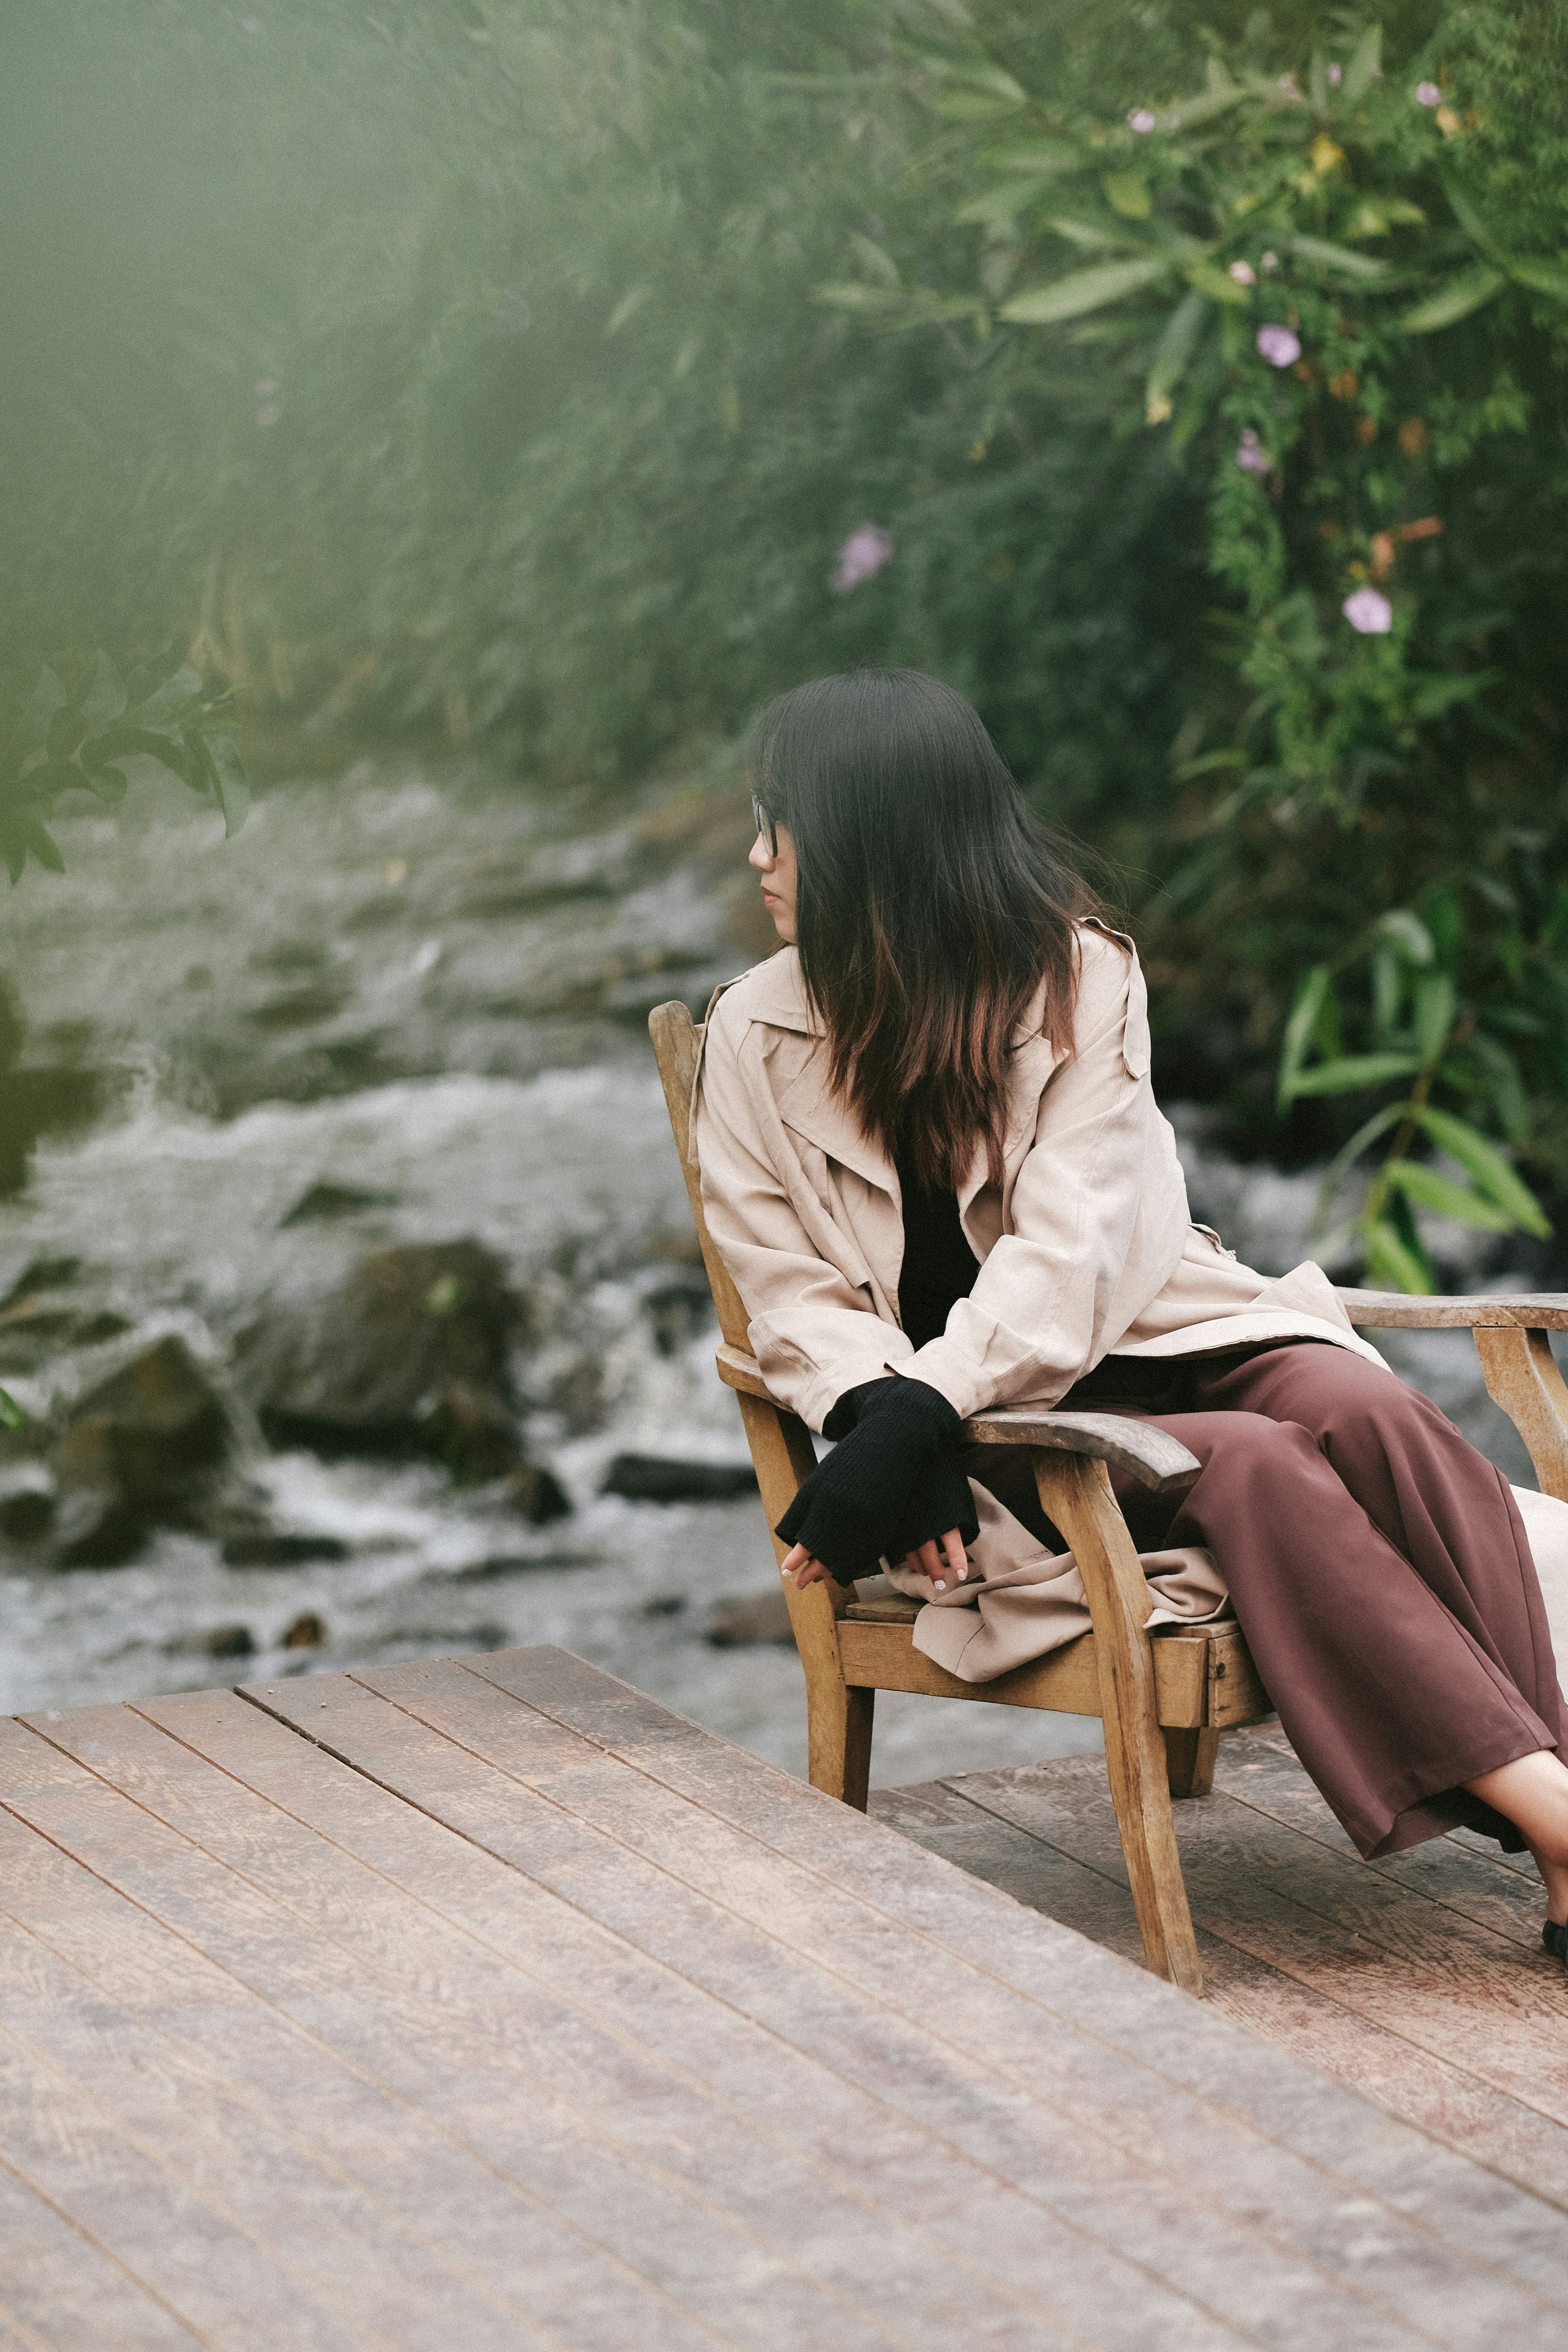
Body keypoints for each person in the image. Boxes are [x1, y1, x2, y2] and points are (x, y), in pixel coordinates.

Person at [692, 666, 1568, 1969]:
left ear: (881, 847)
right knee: (1266, 1468)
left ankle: (1550, 1806)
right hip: (1013, 1435)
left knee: (1368, 1407)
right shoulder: (752, 1034)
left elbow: (1081, 1247)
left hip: (1143, 1335)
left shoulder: (1079, 981)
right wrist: (897, 1414)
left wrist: (929, 1396)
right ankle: (1558, 1823)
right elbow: (788, 1295)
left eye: (784, 825)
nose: (759, 856)